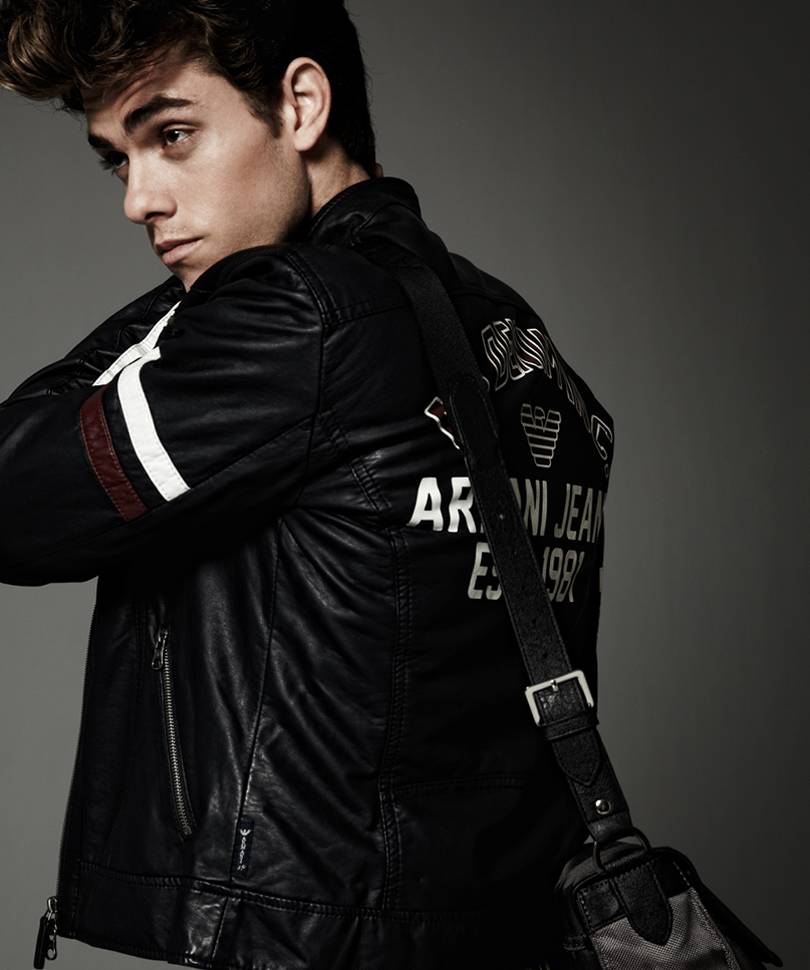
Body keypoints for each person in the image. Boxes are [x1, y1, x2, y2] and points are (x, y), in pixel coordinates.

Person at [0, 2, 615, 968]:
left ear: (301, 104)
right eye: (119, 160)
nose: (139, 200)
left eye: (172, 136)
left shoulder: (295, 316)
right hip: (511, 936)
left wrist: (220, 287)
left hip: (307, 938)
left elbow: (14, 497)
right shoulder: (513, 339)